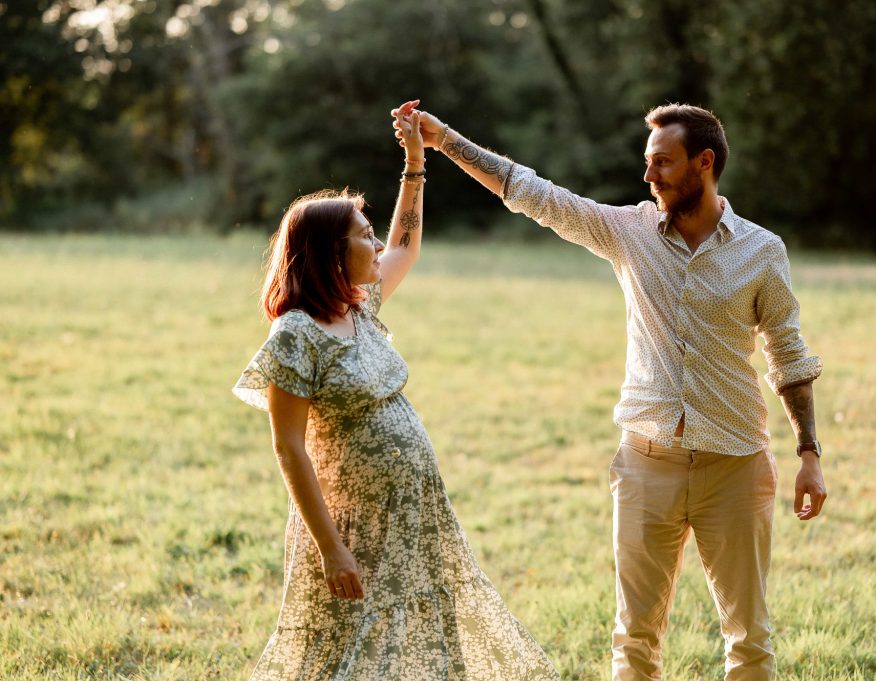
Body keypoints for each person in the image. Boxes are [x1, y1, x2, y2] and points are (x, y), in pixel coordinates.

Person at [392, 100, 827, 681]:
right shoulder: (629, 233)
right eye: (647, 162)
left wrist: (809, 454)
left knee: (749, 636)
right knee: (634, 636)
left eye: (663, 163)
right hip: (647, 463)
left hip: (736, 465)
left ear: (704, 162)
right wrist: (445, 141)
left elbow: (789, 355)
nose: (648, 175)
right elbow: (532, 193)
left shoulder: (762, 251)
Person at [233, 103, 560, 680]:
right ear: (332, 253)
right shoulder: (296, 334)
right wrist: (332, 548)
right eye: (364, 237)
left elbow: (407, 244)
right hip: (352, 524)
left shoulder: (360, 305)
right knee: (346, 650)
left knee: (422, 638)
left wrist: (415, 162)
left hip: (415, 514)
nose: (378, 244)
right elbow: (289, 448)